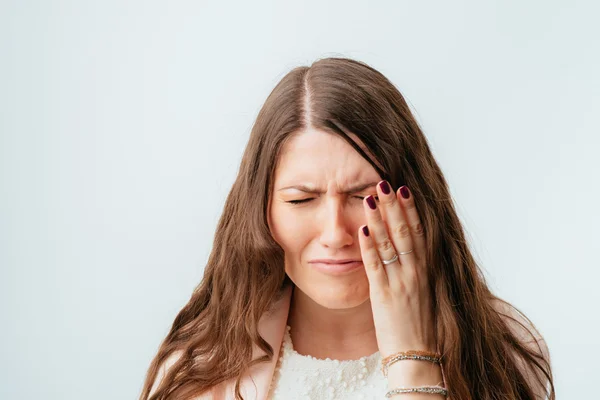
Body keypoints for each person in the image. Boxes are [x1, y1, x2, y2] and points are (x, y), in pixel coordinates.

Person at [139, 57, 554, 400]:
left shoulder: (505, 351)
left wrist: (414, 359)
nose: (336, 233)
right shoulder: (195, 367)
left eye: (363, 197)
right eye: (302, 200)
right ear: (261, 211)